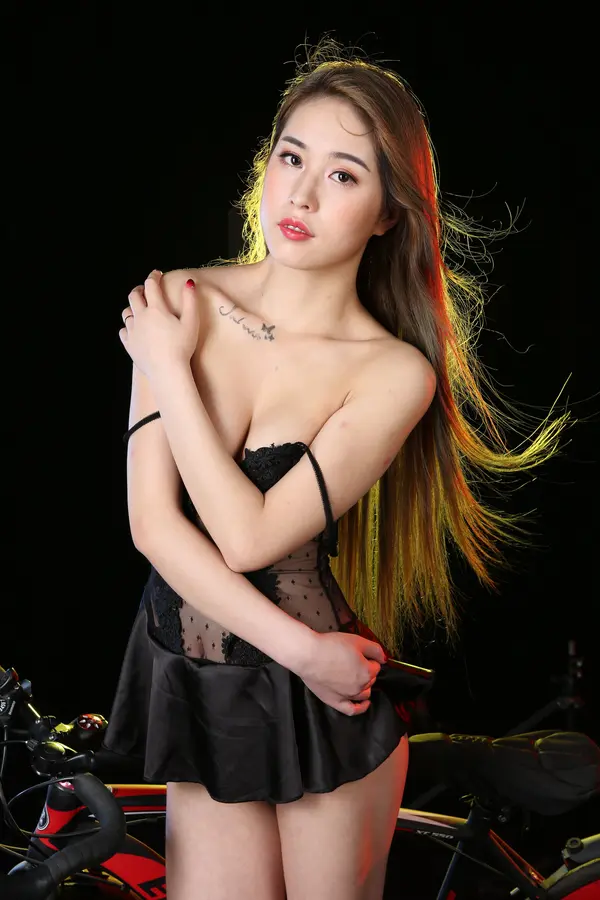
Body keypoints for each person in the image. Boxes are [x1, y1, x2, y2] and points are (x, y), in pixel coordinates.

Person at [103, 41, 569, 900]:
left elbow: (246, 539)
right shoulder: (177, 298)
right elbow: (152, 526)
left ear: (389, 213)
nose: (303, 195)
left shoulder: (391, 372)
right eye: (292, 158)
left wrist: (169, 369)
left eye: (344, 175)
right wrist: (303, 651)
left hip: (325, 712)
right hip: (209, 687)